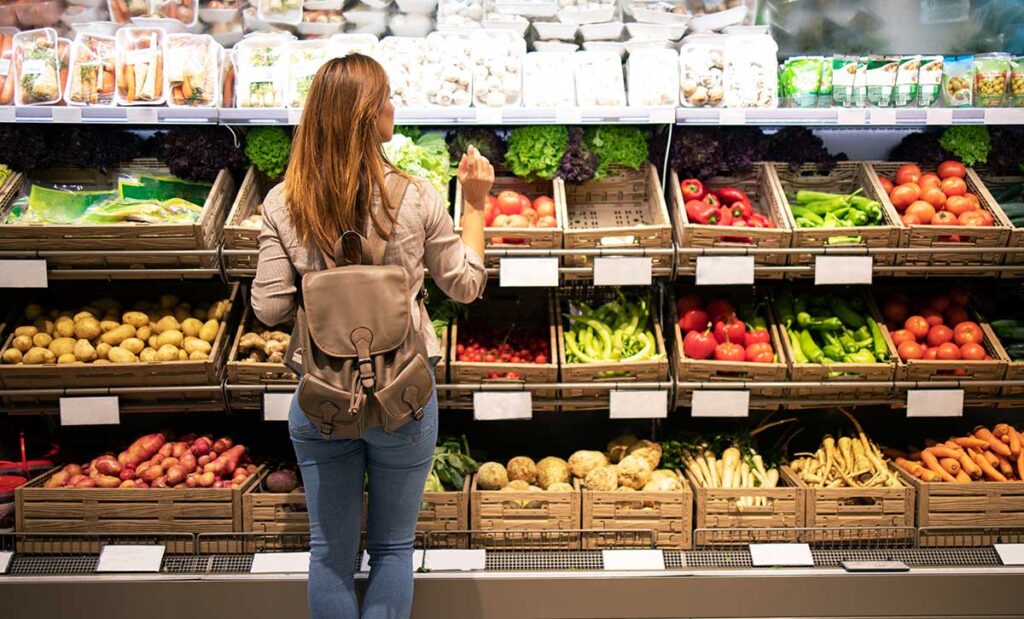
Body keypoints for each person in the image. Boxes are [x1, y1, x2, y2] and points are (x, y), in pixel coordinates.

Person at [251, 54, 492, 619]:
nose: (393, 107)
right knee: (390, 549)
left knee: (330, 555)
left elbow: (268, 307)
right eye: (385, 98)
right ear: (367, 117)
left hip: (322, 400)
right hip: (403, 398)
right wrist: (476, 205)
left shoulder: (283, 202)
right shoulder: (418, 196)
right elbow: (464, 285)